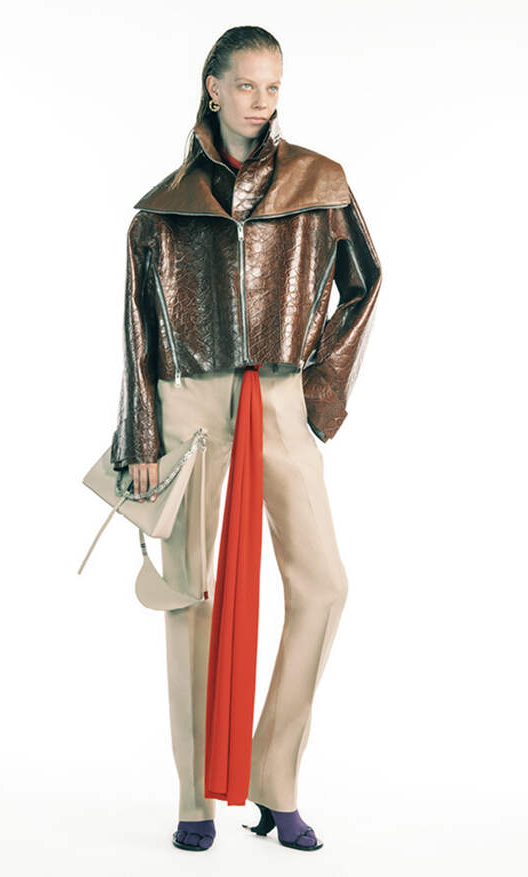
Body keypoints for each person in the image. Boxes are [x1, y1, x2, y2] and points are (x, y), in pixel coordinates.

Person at [109, 25, 382, 852]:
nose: (262, 101)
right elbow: (138, 332)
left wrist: (319, 390)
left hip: (280, 393)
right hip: (189, 404)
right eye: (247, 85)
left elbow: (364, 283)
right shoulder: (162, 208)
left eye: (273, 86)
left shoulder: (318, 180)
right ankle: (194, 795)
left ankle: (275, 777)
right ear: (213, 87)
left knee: (323, 585)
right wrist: (142, 435)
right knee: (189, 595)